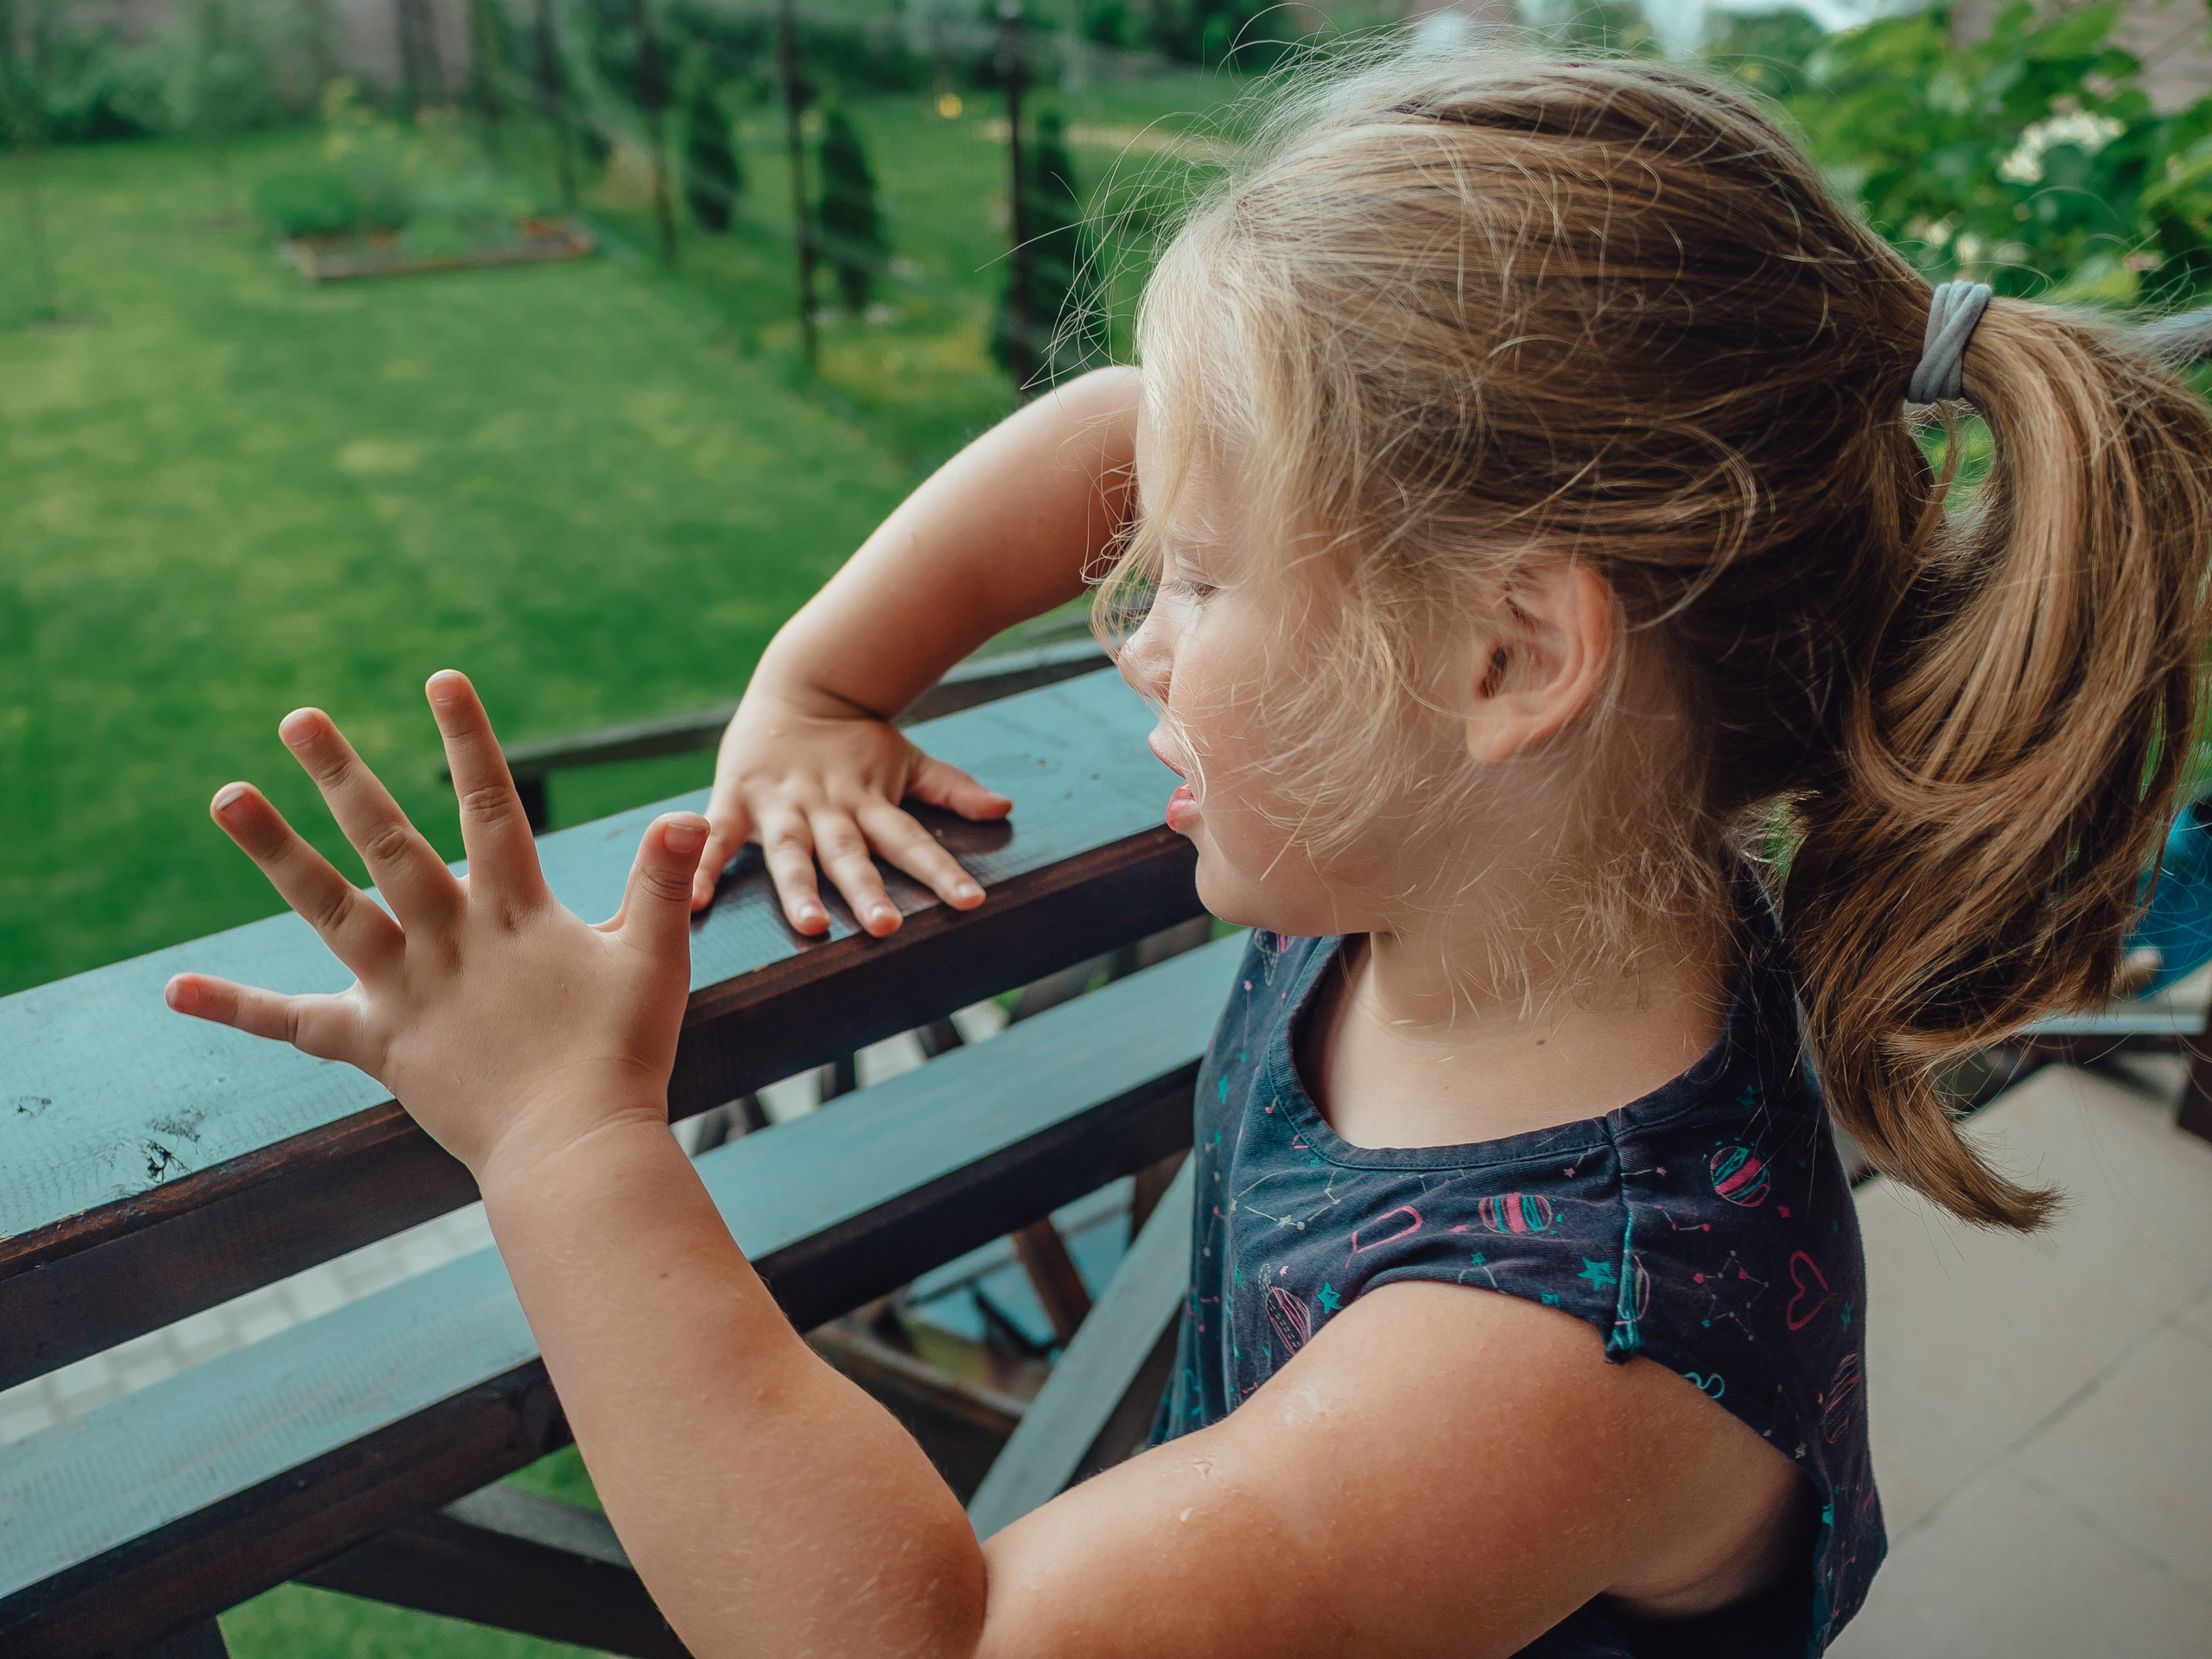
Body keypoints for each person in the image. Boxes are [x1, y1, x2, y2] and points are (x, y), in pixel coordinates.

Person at [163, 44, 2212, 1659]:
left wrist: (558, 1141)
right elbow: (1129, 419)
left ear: (1510, 652)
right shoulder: (1552, 876)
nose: (1122, 616)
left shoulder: (1546, 1360)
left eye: (1200, 577)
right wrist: (814, 684)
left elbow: (930, 1644)